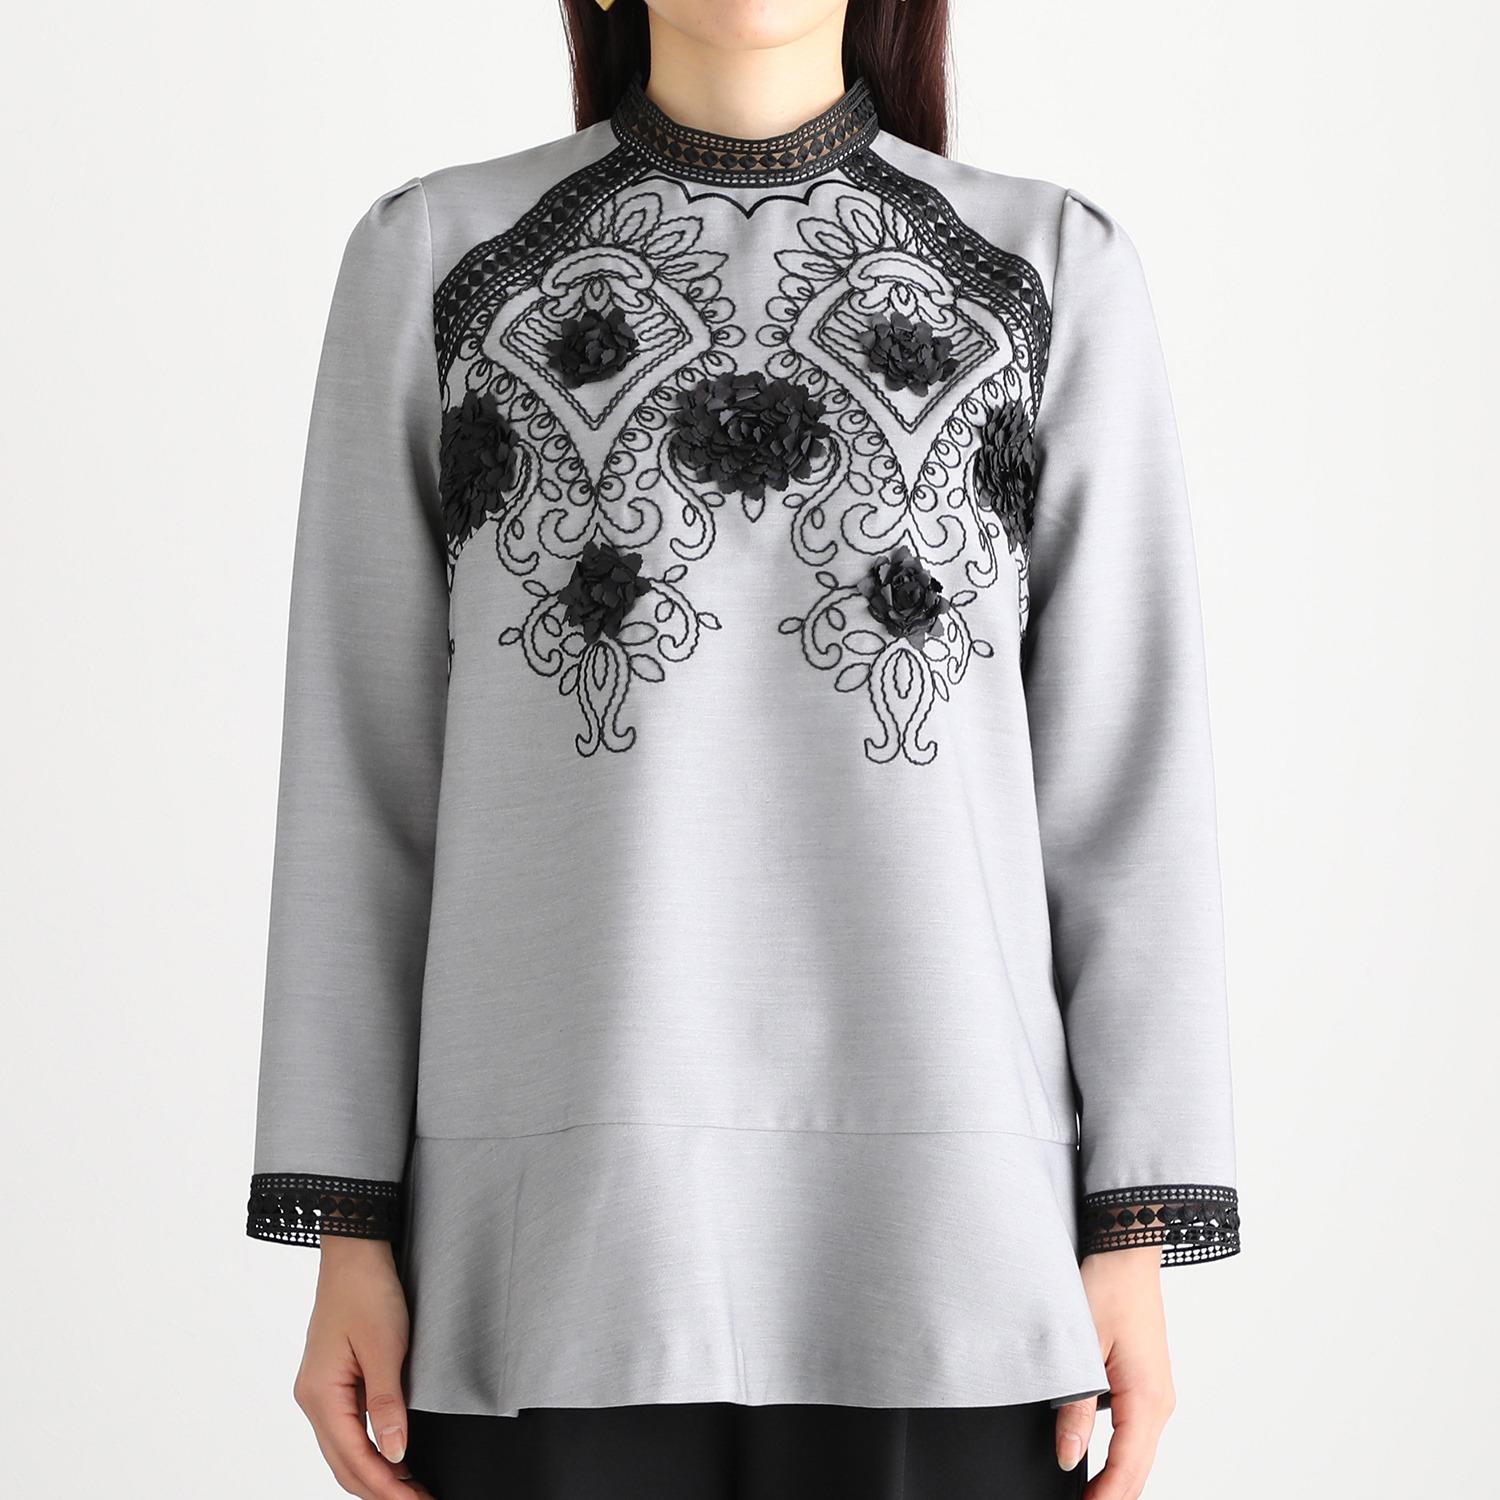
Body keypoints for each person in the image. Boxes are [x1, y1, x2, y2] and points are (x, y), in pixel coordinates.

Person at [244, 2, 1243, 1497]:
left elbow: (1125, 783)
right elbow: (363, 775)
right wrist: (350, 1230)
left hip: (958, 1242)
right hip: (553, 1252)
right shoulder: (435, 257)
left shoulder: (1049, 268)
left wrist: (1133, 1237)